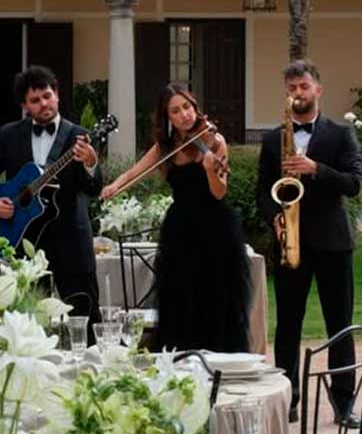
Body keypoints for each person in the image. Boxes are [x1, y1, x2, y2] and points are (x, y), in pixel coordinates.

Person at [101, 82, 250, 353]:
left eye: (187, 107)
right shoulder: (165, 147)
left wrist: (209, 171)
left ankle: (217, 358)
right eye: (176, 111)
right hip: (180, 229)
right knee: (180, 296)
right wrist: (114, 186)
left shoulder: (214, 141)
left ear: (195, 108)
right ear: (167, 118)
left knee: (215, 296)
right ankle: (182, 357)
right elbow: (136, 172)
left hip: (215, 228)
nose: (185, 114)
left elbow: (219, 192)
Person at [257, 60, 362, 425]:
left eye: (303, 86)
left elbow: (353, 183)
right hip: (291, 241)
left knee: (340, 324)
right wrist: (274, 215)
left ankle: (344, 402)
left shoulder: (341, 134)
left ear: (318, 89)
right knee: (288, 325)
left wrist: (315, 168)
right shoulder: (273, 139)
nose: (297, 93)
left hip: (333, 242)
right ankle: (288, 398)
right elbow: (262, 191)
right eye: (291, 88)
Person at [0, 65, 102, 323]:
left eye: (47, 96)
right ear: (25, 106)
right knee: (26, 320)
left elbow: (93, 189)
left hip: (71, 241)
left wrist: (90, 163)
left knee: (85, 316)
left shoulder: (78, 136)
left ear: (57, 95)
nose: (44, 104)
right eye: (35, 100)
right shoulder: (10, 135)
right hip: (24, 239)